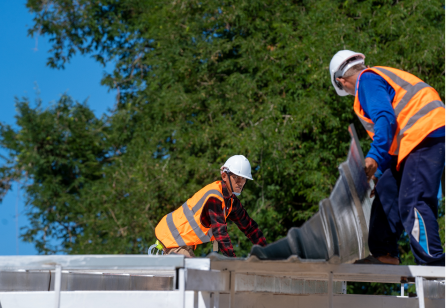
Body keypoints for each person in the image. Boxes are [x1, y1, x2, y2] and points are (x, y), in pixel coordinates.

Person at [329, 50, 446, 265]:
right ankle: (384, 254)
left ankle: (434, 265)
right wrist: (378, 173)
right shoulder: (379, 78)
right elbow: (393, 142)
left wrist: (373, 156)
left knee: (414, 200)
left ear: (341, 81)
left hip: (425, 133)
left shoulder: (367, 80)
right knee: (386, 190)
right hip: (415, 139)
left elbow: (385, 118)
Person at [154, 155, 267, 257]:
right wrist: (233, 261)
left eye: (243, 178)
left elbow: (249, 227)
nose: (240, 182)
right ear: (224, 176)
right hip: (172, 238)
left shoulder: (231, 201)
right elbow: (220, 232)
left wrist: (267, 251)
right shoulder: (214, 196)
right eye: (236, 177)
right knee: (194, 274)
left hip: (182, 241)